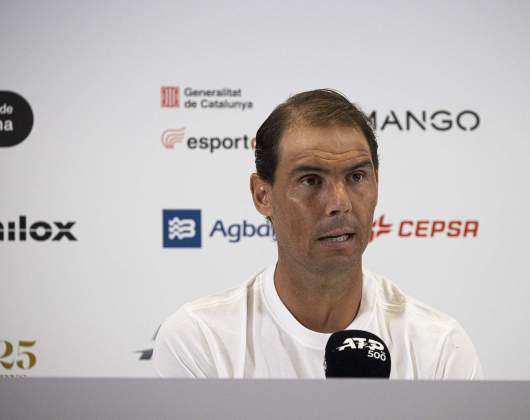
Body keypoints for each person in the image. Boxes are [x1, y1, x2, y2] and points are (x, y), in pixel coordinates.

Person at [153, 89, 483, 379]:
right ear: (262, 195)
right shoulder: (199, 340)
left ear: (377, 183)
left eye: (356, 177)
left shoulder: (440, 347)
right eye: (311, 180)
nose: (339, 203)